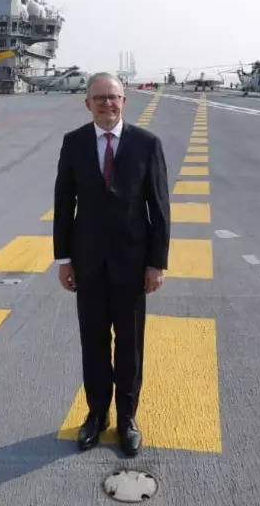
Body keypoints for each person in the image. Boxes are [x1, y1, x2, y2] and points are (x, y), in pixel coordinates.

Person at [53, 72, 170, 457]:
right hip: (87, 264)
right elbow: (63, 204)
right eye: (99, 97)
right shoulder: (73, 144)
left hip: (133, 265)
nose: (107, 103)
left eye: (114, 97)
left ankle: (127, 419)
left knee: (131, 346)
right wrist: (64, 258)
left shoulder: (147, 144)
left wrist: (156, 264)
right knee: (94, 342)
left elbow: (159, 209)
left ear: (124, 101)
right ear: (87, 103)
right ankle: (96, 415)